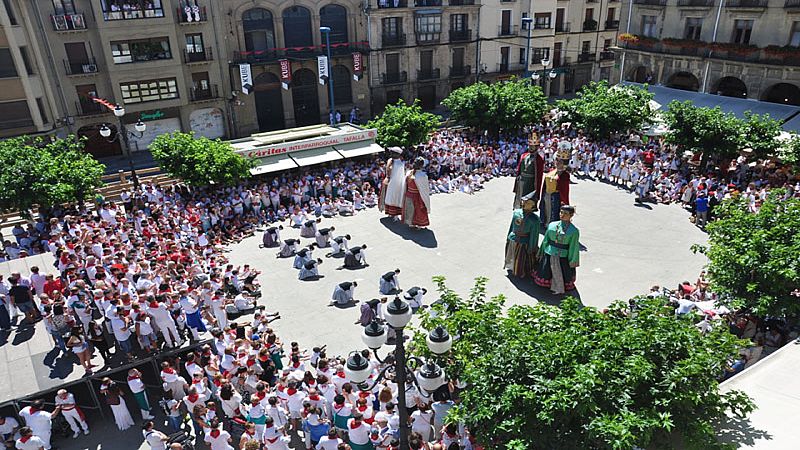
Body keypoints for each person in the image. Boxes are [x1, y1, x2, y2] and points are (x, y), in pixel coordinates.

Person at [534, 205, 580, 295]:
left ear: (571, 215)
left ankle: (559, 286)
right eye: (561, 212)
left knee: (562, 271)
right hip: (549, 252)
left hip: (563, 255)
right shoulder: (552, 225)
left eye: (565, 213)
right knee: (546, 270)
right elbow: (546, 240)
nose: (562, 215)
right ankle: (548, 284)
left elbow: (573, 247)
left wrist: (572, 261)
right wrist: (541, 251)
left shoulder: (574, 231)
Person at [504, 192, 540, 278]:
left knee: (521, 259)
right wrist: (508, 237)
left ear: (533, 206)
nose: (524, 204)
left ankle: (521, 272)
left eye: (528, 203)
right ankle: (511, 267)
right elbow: (511, 226)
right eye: (524, 201)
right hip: (513, 238)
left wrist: (532, 247)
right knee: (512, 254)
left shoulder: (534, 220)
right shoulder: (516, 213)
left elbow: (534, 235)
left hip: (524, 242)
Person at [539, 149, 571, 228]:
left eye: (560, 161)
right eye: (557, 160)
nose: (557, 163)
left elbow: (564, 190)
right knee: (546, 209)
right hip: (547, 194)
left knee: (554, 212)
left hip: (555, 196)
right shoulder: (551, 171)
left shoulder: (565, 175)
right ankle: (545, 222)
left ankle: (552, 225)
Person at [513, 133, 543, 208]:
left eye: (533, 146)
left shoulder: (539, 159)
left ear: (537, 147)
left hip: (530, 183)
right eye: (530, 146)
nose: (531, 147)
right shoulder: (524, 155)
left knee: (527, 202)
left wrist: (536, 192)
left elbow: (539, 177)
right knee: (518, 200)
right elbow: (519, 170)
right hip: (521, 181)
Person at [402, 157, 432, 229]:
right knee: (418, 210)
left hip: (409, 194)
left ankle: (411, 223)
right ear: (421, 166)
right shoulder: (423, 175)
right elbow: (425, 189)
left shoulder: (409, 172)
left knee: (410, 209)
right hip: (417, 196)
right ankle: (419, 224)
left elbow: (405, 184)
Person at [379, 147, 406, 219]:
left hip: (398, 181)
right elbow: (388, 169)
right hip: (394, 181)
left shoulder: (397, 160)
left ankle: (393, 213)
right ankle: (393, 213)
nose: (391, 153)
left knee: (395, 196)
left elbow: (389, 169)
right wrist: (388, 177)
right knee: (393, 196)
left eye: (392, 152)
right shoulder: (394, 161)